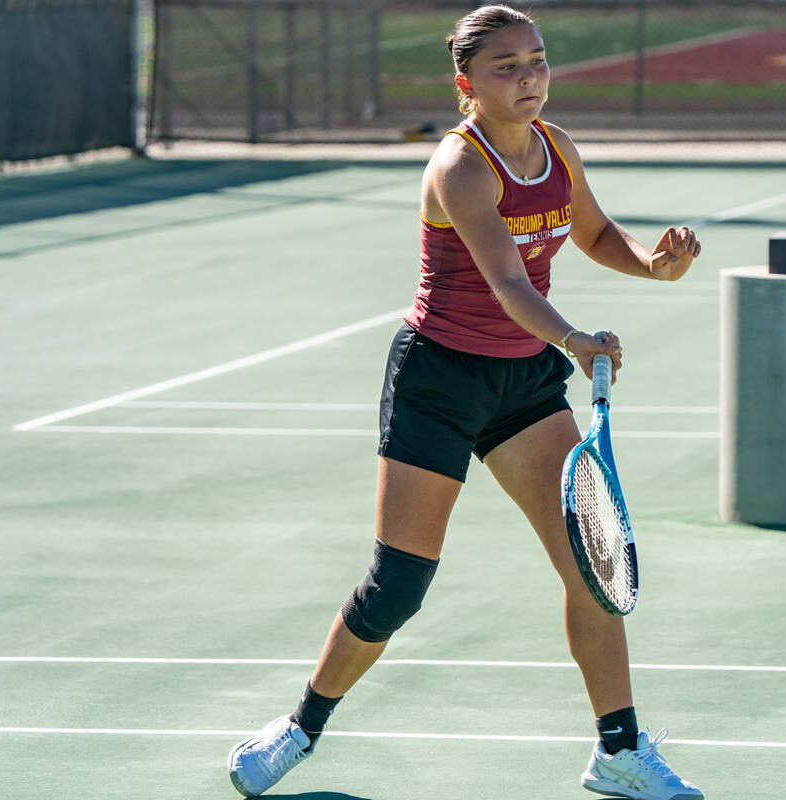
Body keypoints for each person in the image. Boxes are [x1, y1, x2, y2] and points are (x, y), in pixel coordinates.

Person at [227, 5, 704, 799]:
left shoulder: (556, 148)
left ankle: (618, 751)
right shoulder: (461, 167)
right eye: (505, 67)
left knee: (592, 564)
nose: (528, 78)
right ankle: (301, 727)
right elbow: (509, 282)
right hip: (439, 382)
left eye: (537, 60)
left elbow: (593, 235)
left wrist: (654, 266)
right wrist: (575, 340)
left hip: (523, 385)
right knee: (397, 586)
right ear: (466, 85)